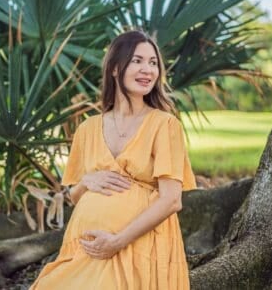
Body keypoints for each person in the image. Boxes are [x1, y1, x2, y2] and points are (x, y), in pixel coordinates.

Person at [30, 30, 196, 290]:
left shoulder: (164, 125)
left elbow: (172, 200)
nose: (148, 70)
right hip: (85, 247)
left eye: (153, 63)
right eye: (137, 61)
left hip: (137, 245)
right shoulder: (88, 128)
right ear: (116, 68)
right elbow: (74, 197)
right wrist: (86, 180)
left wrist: (117, 241)